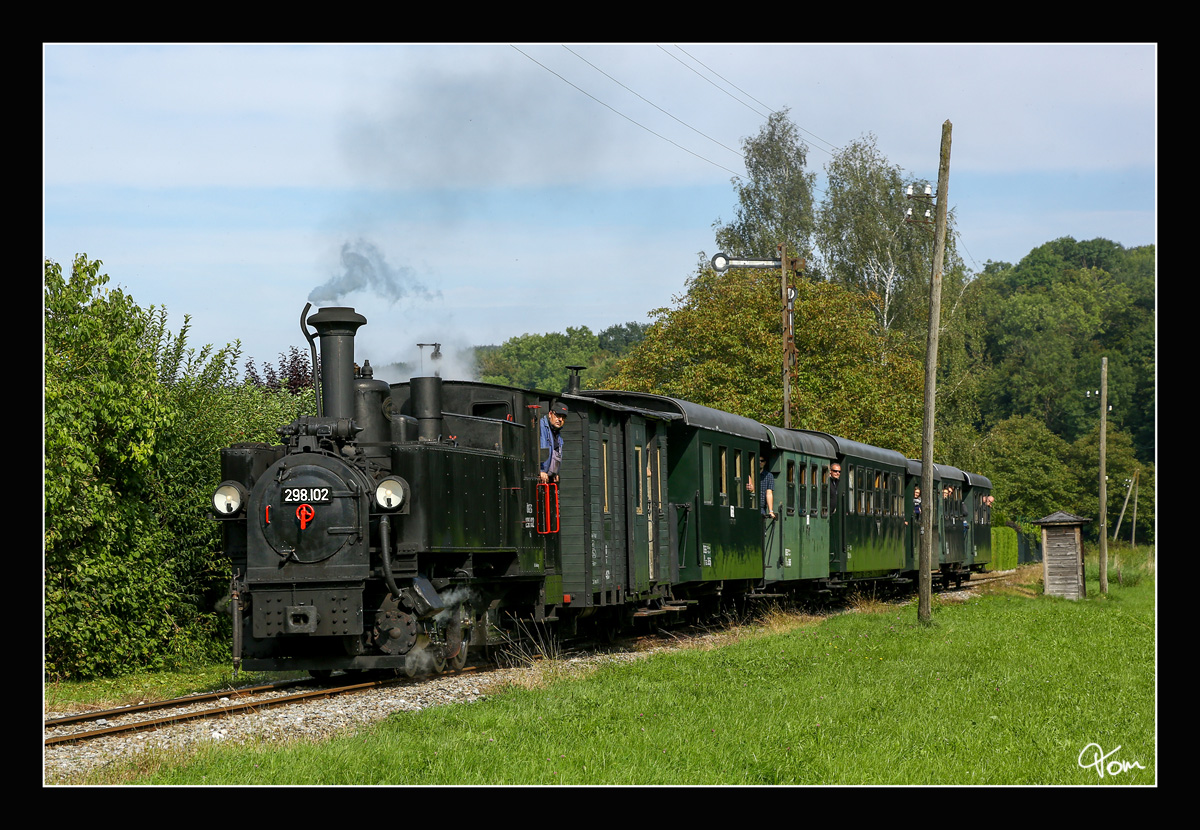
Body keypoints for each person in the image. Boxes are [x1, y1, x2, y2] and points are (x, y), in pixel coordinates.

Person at [539, 401, 567, 483]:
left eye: (563, 417)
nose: (560, 419)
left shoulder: (557, 433)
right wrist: (540, 470)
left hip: (549, 478)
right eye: (558, 415)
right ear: (550, 414)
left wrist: (555, 472)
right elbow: (539, 449)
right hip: (541, 476)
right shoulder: (541, 427)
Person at [758, 454, 776, 520]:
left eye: (762, 461)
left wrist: (771, 511)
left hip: (761, 507)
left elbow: (769, 493)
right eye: (758, 460)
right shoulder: (750, 474)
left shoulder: (769, 476)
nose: (760, 462)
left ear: (765, 462)